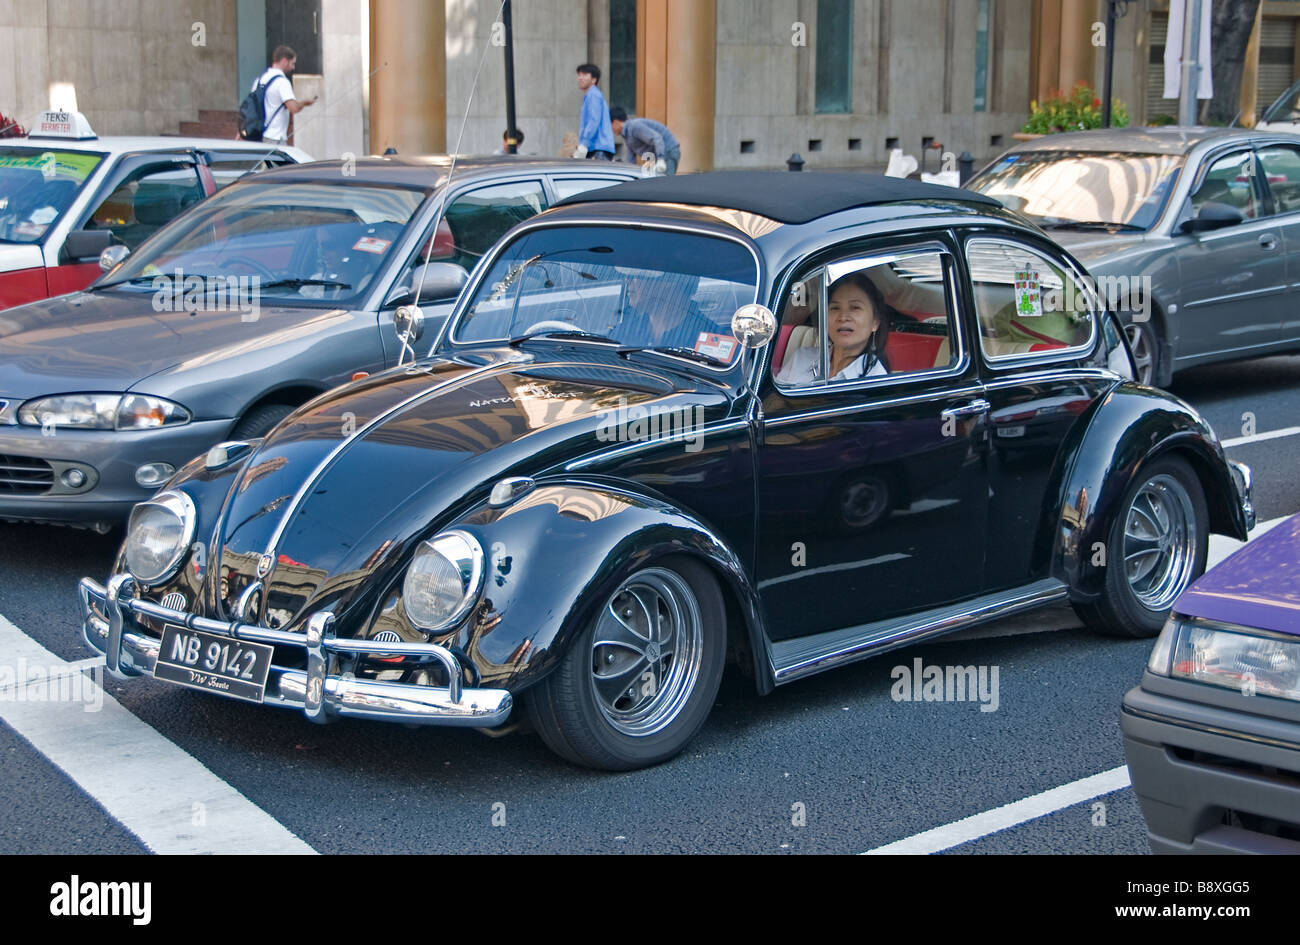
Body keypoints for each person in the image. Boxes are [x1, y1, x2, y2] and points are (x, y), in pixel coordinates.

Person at [777, 271, 891, 385]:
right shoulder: (801, 358)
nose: (843, 317)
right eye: (835, 308)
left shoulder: (876, 379)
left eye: (855, 307)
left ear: (875, 322)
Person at [251, 45, 316, 145]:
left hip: (258, 136)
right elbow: (293, 108)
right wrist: (304, 103)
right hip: (275, 138)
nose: (293, 67)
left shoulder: (259, 80)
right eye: (292, 63)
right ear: (284, 61)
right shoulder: (282, 82)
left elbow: (252, 108)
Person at [609, 107, 680, 176]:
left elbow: (657, 138)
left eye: (610, 125)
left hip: (668, 151)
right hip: (658, 157)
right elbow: (630, 160)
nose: (610, 129)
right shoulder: (626, 135)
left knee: (666, 183)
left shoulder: (634, 127)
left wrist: (660, 159)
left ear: (615, 122)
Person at [574, 63, 615, 160]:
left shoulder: (593, 95)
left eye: (584, 75)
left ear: (594, 79)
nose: (580, 78)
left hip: (598, 148)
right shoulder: (591, 95)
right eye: (579, 75)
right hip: (596, 148)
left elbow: (593, 120)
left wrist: (584, 143)